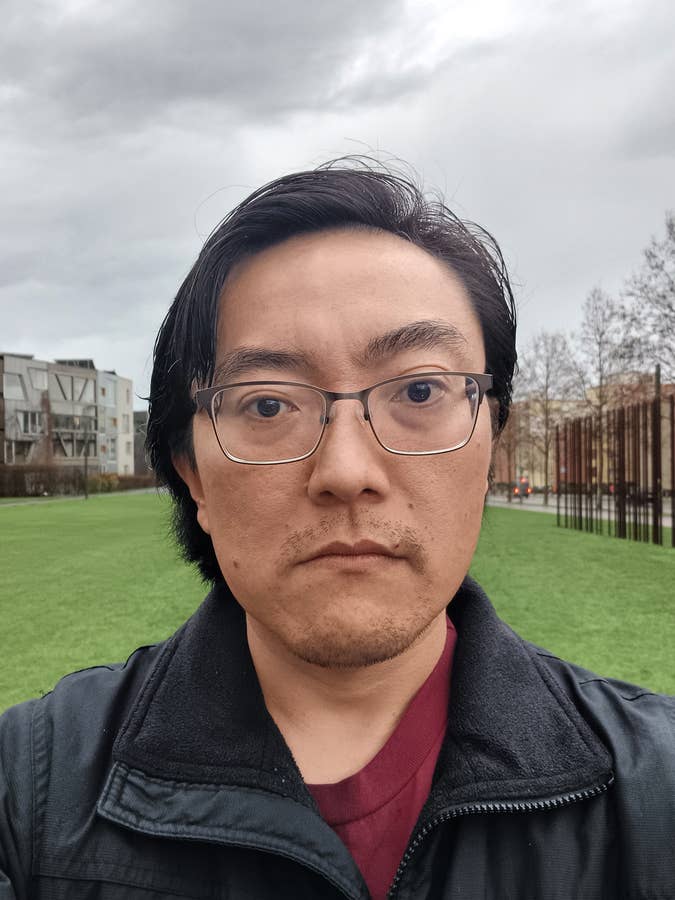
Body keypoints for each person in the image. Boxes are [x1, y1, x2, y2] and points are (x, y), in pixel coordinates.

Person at [0, 161, 673, 900]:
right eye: (266, 405)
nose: (346, 471)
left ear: (490, 447)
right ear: (192, 476)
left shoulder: (655, 791)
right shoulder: (27, 793)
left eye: (421, 389)